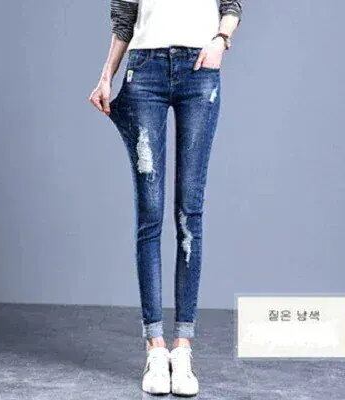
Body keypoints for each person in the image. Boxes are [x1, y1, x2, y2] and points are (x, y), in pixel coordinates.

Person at [89, 0, 242, 395]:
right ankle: (155, 348)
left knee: (190, 212)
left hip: (200, 69)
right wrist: (106, 76)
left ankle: (183, 348)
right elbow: (124, 19)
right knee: (150, 213)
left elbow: (231, 5)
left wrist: (220, 41)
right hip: (145, 70)